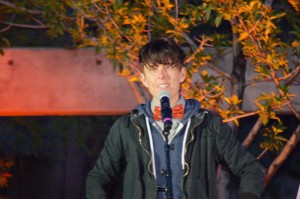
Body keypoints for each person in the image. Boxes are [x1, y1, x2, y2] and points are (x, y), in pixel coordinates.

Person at [86, 37, 264, 199]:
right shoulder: (126, 127)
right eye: (154, 69)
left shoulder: (208, 124)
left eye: (169, 66)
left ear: (182, 74)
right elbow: (99, 177)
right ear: (144, 79)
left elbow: (251, 169)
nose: (162, 75)